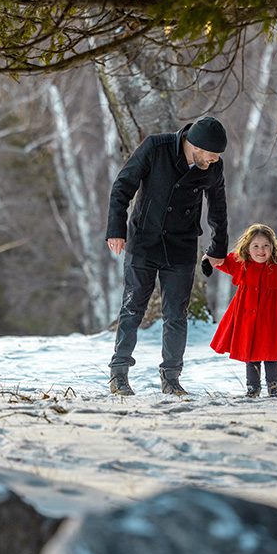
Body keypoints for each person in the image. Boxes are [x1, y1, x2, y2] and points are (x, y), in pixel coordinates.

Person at [104, 116, 228, 396]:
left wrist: (218, 249)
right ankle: (119, 373)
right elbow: (123, 186)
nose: (213, 161)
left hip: (181, 247)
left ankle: (171, 378)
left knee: (176, 315)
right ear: (195, 145)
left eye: (217, 157)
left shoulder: (212, 167)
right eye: (211, 155)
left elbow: (218, 208)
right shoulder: (155, 147)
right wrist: (116, 229)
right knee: (133, 308)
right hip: (144, 241)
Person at [207, 224, 277, 398]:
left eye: (266, 245)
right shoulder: (240, 263)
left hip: (271, 320)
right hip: (247, 318)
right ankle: (253, 387)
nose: (261, 250)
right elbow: (220, 261)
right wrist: (208, 259)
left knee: (270, 352)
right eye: (256, 246)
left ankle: (274, 387)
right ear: (247, 247)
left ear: (273, 247)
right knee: (250, 354)